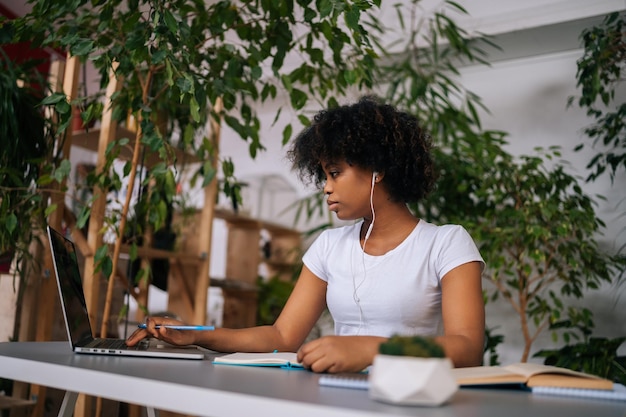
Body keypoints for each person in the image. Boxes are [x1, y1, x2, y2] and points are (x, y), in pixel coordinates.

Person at [127, 96, 485, 373]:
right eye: (323, 176)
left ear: (377, 169)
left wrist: (370, 349)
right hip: (334, 396)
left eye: (335, 173)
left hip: (408, 402)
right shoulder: (329, 247)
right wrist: (196, 335)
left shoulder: (445, 243)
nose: (326, 188)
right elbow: (281, 336)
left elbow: (467, 349)